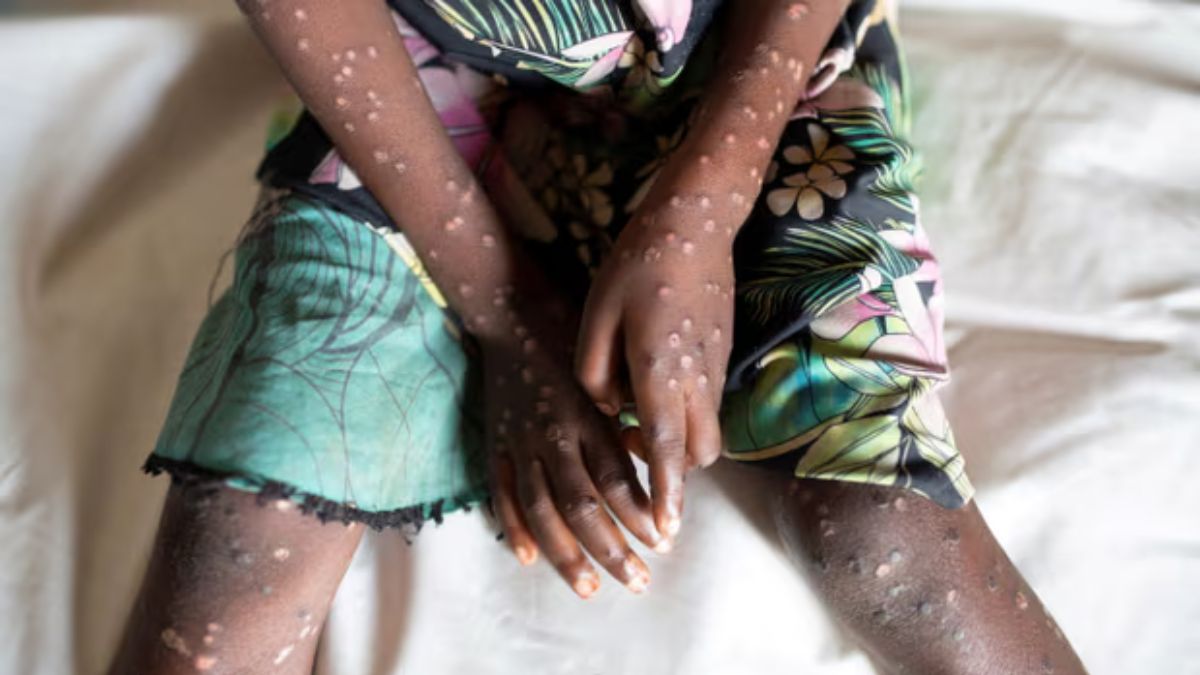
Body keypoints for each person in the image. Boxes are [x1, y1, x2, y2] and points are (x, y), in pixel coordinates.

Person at [109, 0, 1088, 673]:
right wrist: (505, 313)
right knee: (231, 573)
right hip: (401, 76)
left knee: (882, 532)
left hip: (749, 58)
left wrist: (699, 215)